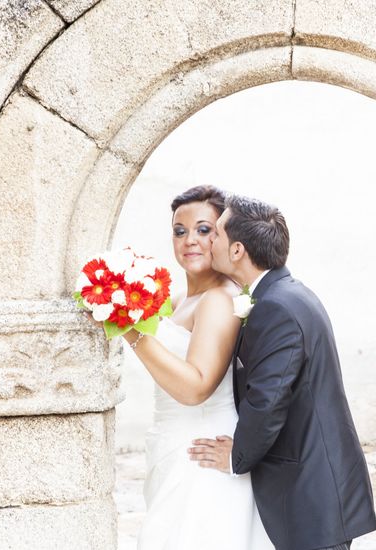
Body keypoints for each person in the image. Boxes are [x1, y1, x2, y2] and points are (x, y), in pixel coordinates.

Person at [187, 195, 376, 550]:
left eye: (216, 234)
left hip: (311, 494)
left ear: (238, 250)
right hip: (314, 487)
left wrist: (236, 456)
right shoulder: (285, 295)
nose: (208, 241)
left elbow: (268, 399)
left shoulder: (276, 307)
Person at [96, 185, 274, 549]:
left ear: (225, 237)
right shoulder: (178, 300)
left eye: (204, 230)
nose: (190, 240)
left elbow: (195, 387)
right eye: (180, 231)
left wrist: (129, 330)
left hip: (202, 448)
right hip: (171, 442)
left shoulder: (219, 299)